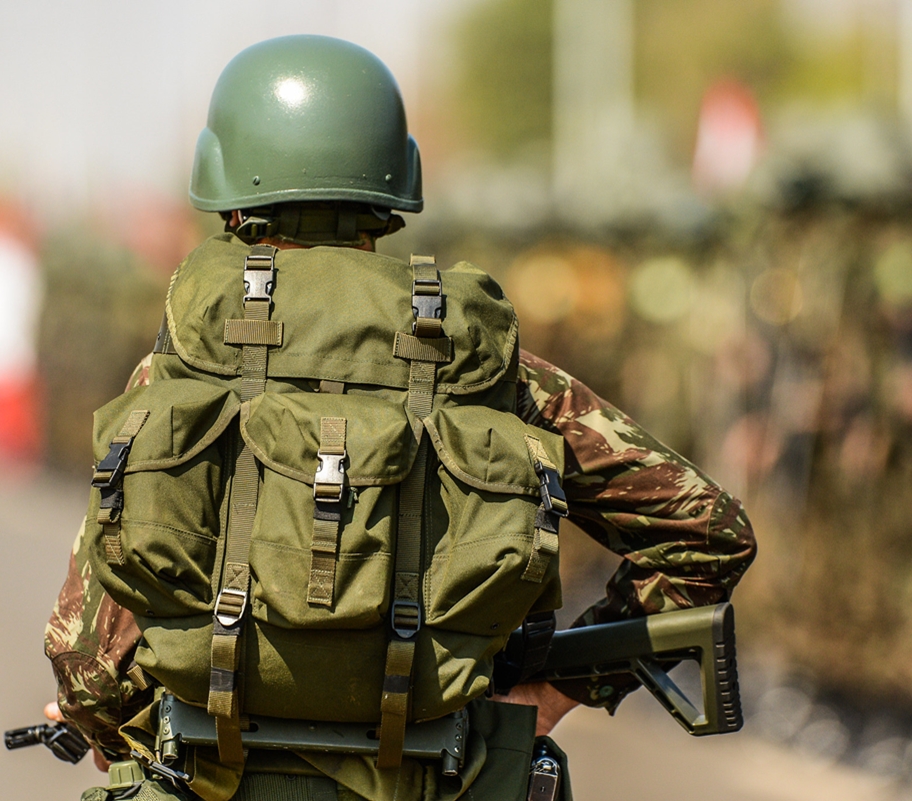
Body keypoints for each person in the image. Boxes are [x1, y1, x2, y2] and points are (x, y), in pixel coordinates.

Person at [43, 34, 756, 801]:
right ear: (391, 190)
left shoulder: (184, 364)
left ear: (229, 194)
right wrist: (549, 694)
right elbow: (707, 530)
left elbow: (89, 663)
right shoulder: (483, 367)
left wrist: (106, 725)